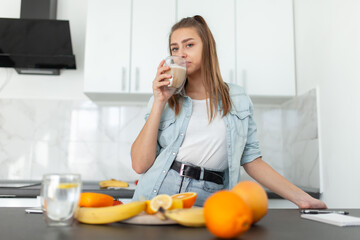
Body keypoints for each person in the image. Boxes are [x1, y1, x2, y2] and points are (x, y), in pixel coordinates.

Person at [131, 15, 327, 209]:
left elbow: (252, 160)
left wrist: (302, 199)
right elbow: (140, 165)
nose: (181, 53)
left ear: (208, 47)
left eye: (189, 45)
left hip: (211, 200)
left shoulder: (237, 98)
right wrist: (159, 101)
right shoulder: (163, 99)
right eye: (175, 48)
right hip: (158, 193)